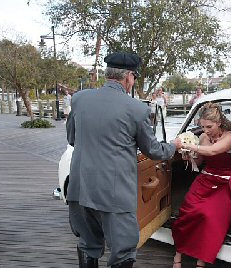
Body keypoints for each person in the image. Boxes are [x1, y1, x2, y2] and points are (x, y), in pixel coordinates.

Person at [66, 51, 182, 268]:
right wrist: (173, 146)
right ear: (129, 76)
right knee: (123, 250)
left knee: (88, 243)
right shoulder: (137, 109)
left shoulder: (80, 99)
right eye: (134, 78)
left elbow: (72, 139)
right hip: (114, 193)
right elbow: (154, 151)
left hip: (80, 188)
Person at [171, 102, 231, 268]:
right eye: (202, 126)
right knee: (187, 212)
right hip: (206, 178)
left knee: (208, 216)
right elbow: (200, 160)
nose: (205, 130)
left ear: (219, 123)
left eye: (209, 126)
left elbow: (214, 151)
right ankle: (178, 254)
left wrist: (185, 144)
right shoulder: (202, 137)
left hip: (224, 180)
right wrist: (189, 156)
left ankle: (200, 261)